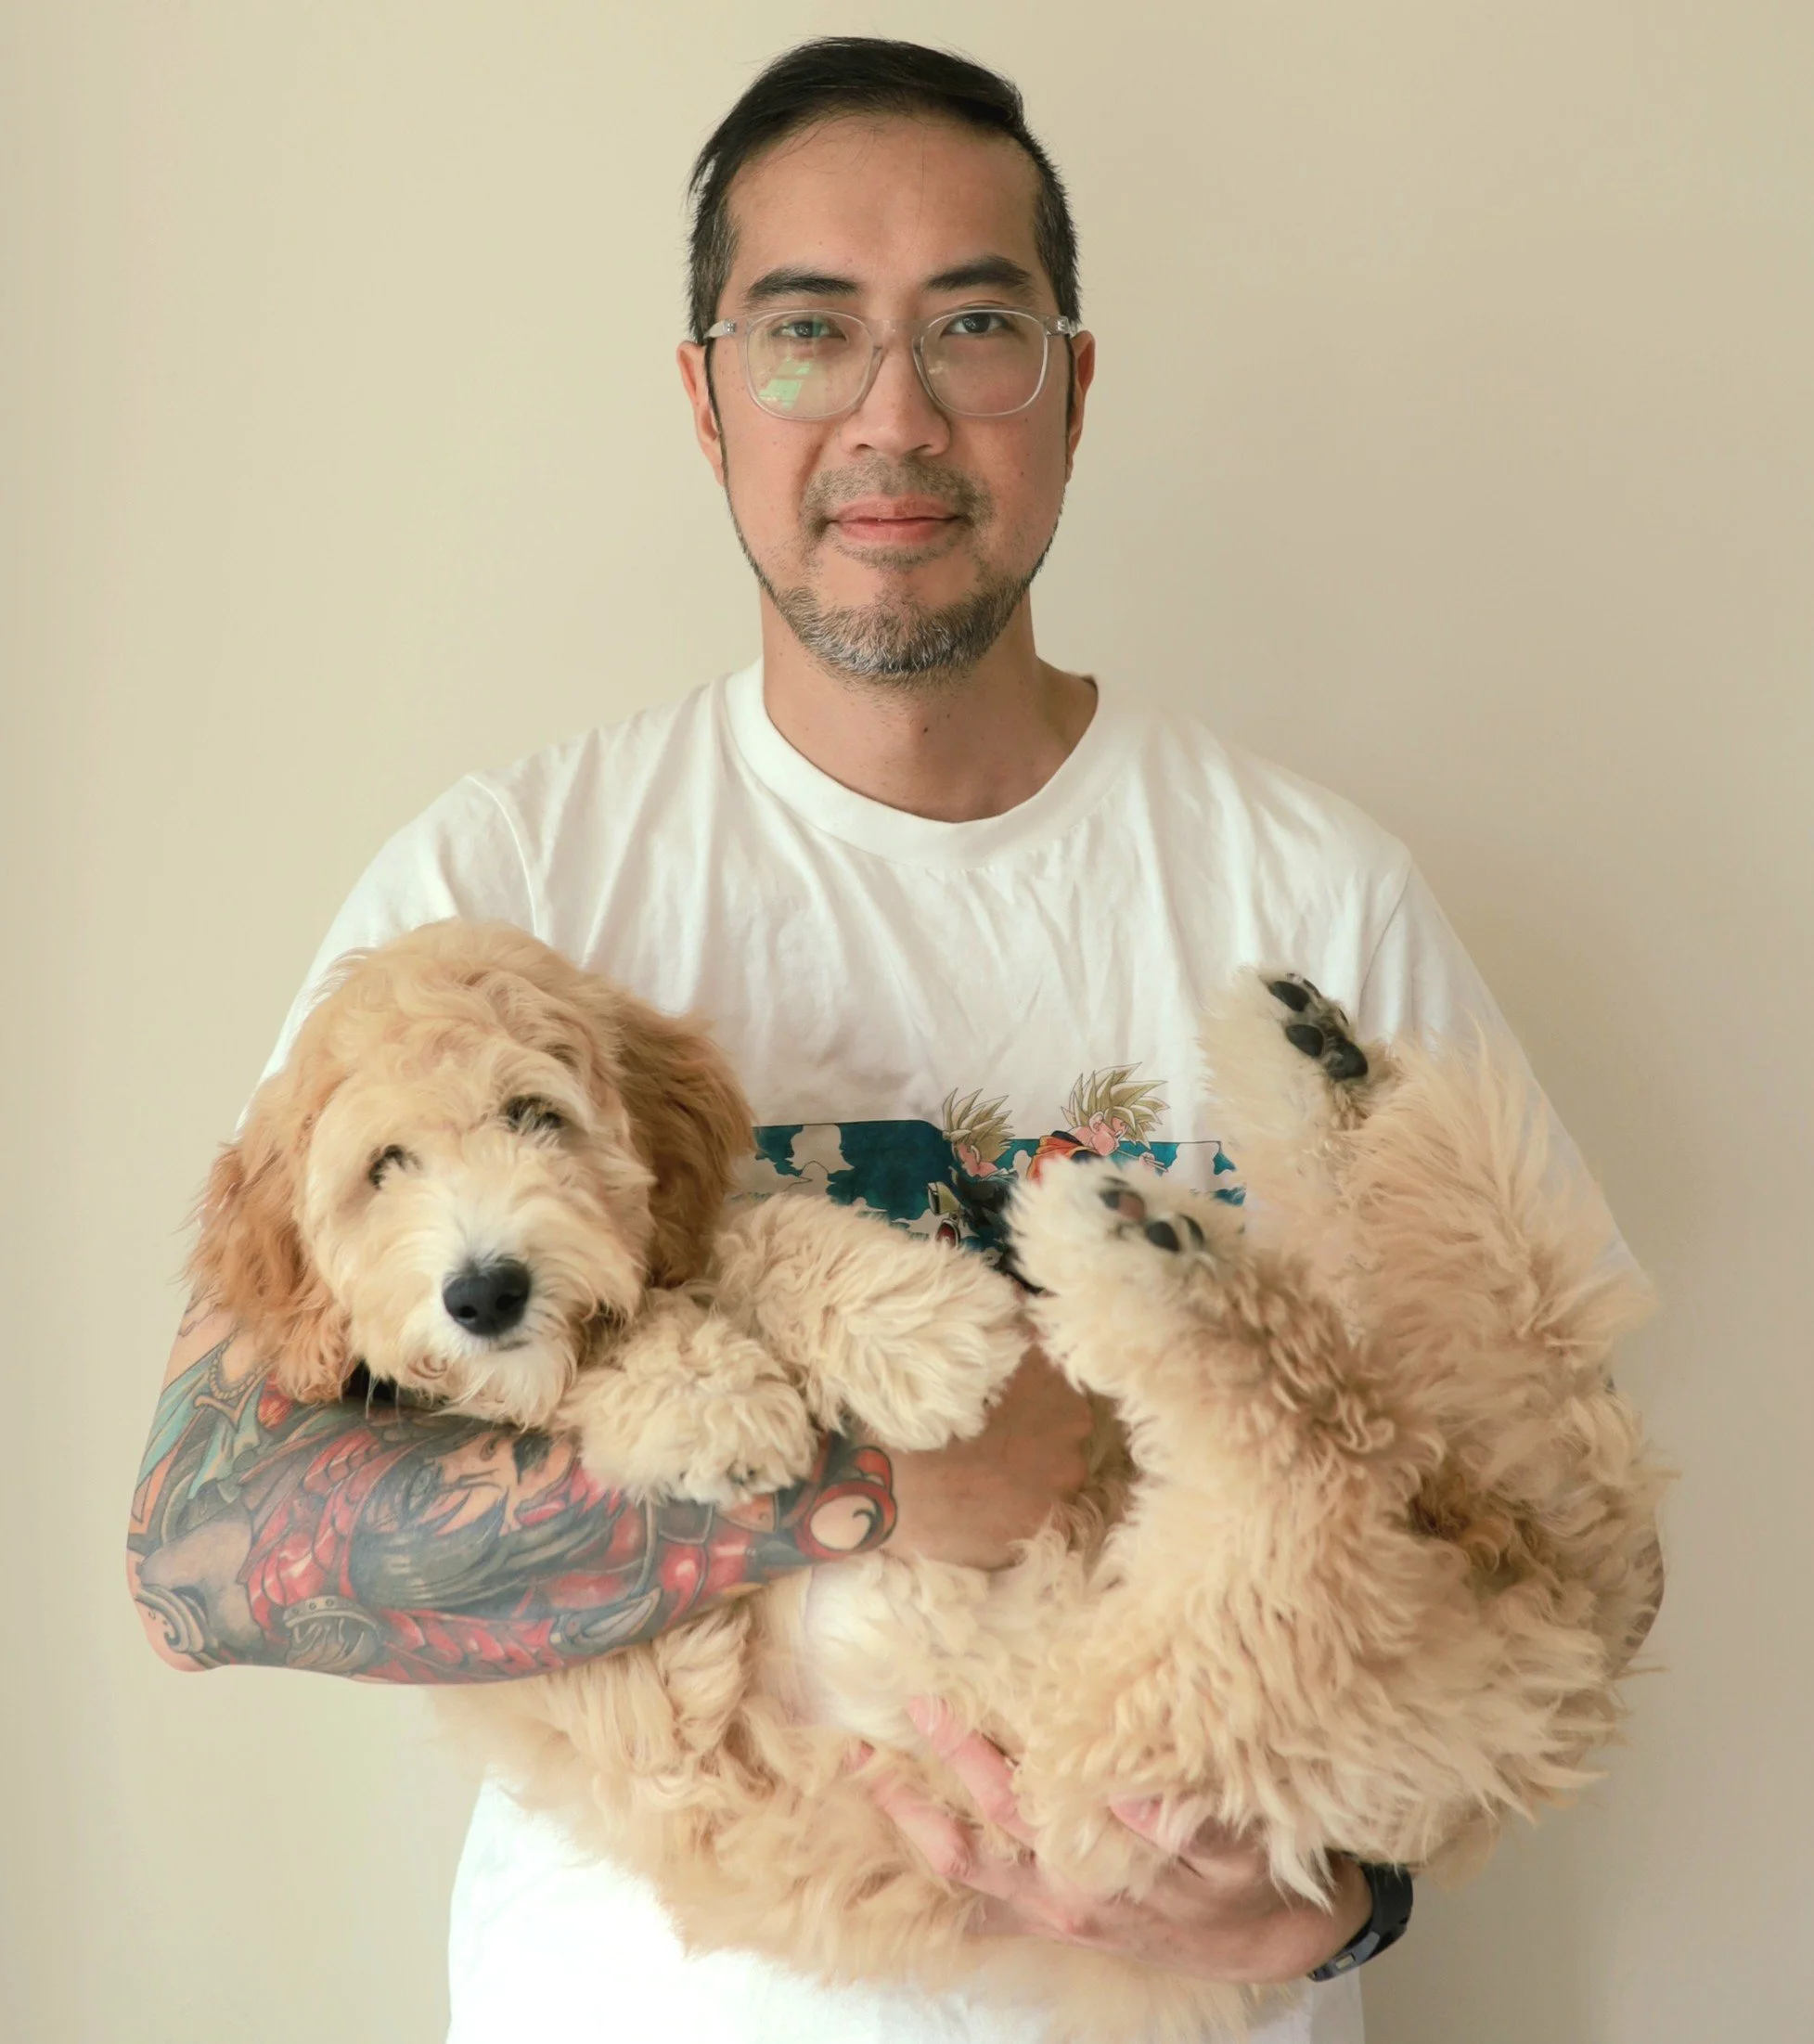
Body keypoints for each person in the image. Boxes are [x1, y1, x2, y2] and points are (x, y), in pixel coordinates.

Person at [127, 36, 1619, 2043]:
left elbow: (1538, 1511)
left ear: (1071, 388)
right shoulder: (495, 886)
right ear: (705, 397)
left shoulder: (1308, 900)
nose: (891, 416)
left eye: (973, 327)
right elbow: (205, 1546)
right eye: (806, 334)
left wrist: (1337, 1906)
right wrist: (853, 1493)